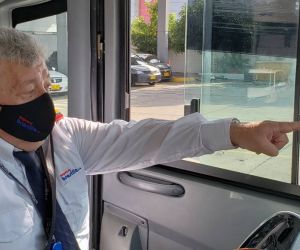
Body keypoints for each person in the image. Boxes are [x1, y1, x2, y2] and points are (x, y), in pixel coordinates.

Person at [0, 27, 299, 250]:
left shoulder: (64, 137)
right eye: (29, 90)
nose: (45, 101)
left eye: (47, 84)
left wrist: (236, 132)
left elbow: (145, 138)